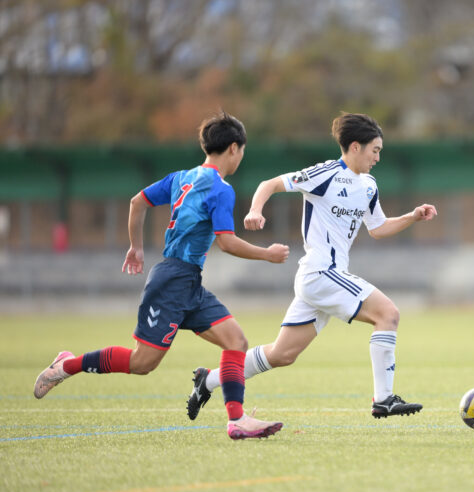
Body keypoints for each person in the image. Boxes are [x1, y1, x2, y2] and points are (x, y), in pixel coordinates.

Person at [33, 112, 289, 440]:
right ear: (234, 149)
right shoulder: (221, 189)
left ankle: (236, 419)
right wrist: (267, 254)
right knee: (142, 363)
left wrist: (135, 247)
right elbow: (226, 242)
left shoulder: (181, 177)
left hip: (187, 281)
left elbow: (137, 202)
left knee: (236, 341)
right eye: (242, 151)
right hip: (172, 282)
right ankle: (67, 365)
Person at [186, 112, 437, 420]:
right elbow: (270, 184)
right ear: (355, 147)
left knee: (282, 354)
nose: (378, 158)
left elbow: (378, 228)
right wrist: (255, 210)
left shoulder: (369, 185)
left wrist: (412, 216)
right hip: (321, 272)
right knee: (388, 314)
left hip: (325, 277)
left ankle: (208, 380)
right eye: (375, 150)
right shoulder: (325, 174)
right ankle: (383, 399)